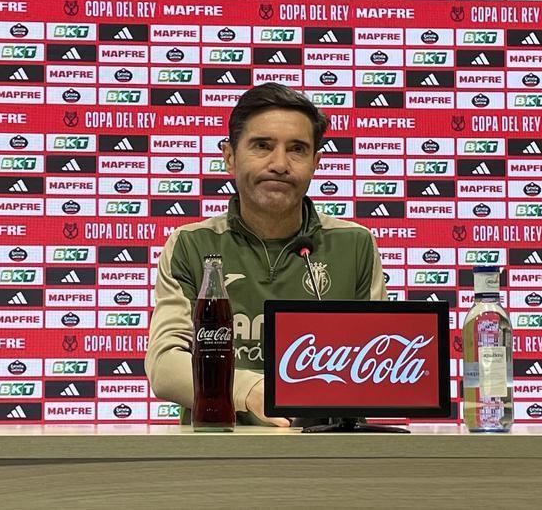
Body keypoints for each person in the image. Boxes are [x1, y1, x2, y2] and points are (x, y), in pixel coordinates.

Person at [145, 83, 387, 426]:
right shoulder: (190, 244)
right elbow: (165, 365)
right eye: (262, 146)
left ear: (316, 163)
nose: (279, 164)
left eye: (297, 149)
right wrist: (250, 390)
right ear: (229, 157)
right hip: (216, 452)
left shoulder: (354, 243)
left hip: (330, 455)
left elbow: (380, 369)